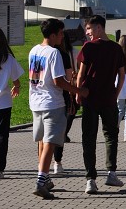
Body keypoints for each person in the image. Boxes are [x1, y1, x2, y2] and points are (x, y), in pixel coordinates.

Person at [29, 18, 88, 199]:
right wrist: (79, 90)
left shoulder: (34, 50)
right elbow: (58, 81)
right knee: (50, 142)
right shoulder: (53, 53)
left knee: (42, 141)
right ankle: (40, 181)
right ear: (53, 34)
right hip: (52, 103)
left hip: (36, 101)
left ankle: (45, 178)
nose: (63, 36)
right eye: (61, 33)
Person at [76, 14, 126, 195]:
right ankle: (111, 173)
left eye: (89, 29)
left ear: (99, 28)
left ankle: (90, 179)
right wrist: (116, 93)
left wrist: (78, 93)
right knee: (111, 136)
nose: (87, 33)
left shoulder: (88, 48)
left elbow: (81, 74)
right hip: (108, 99)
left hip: (90, 98)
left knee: (88, 138)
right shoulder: (116, 48)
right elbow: (122, 74)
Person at [0, 27, 23, 179]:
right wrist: (17, 86)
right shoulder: (8, 58)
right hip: (4, 102)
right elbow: (16, 80)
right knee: (1, 135)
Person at [53, 30, 78, 175]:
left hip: (44, 98)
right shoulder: (70, 53)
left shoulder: (47, 52)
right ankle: (57, 162)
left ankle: (42, 166)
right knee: (61, 129)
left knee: (44, 137)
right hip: (65, 92)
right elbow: (71, 75)